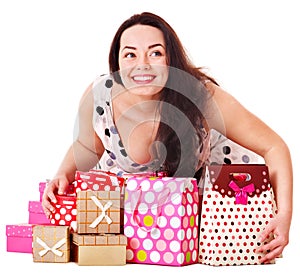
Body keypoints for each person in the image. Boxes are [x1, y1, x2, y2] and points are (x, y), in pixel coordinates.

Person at [42, 12, 293, 264]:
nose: (142, 64)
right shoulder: (101, 95)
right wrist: (62, 173)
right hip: (136, 229)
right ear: (116, 62)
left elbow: (274, 146)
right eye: (130, 54)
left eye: (155, 53)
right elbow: (88, 144)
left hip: (198, 227)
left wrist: (284, 216)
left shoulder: (202, 97)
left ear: (171, 59)